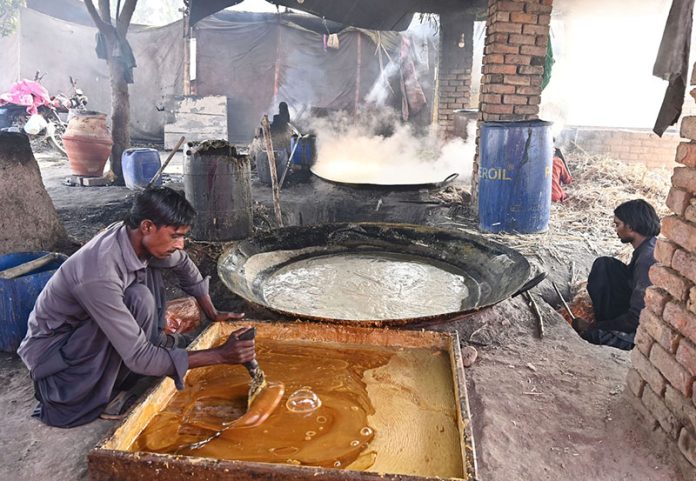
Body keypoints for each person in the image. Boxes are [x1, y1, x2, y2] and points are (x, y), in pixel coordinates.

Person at [18, 187, 255, 428]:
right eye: (175, 236)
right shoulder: (99, 273)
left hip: (81, 337)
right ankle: (97, 394)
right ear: (148, 226)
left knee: (140, 294)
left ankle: (141, 360)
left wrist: (212, 312)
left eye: (183, 236)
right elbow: (139, 357)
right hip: (58, 366)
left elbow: (182, 262)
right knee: (138, 307)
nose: (181, 244)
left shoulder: (135, 239)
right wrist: (220, 355)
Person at [572, 199, 660, 350]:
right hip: (634, 311)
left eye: (617, 224)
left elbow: (636, 317)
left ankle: (614, 335)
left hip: (641, 326)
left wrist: (595, 326)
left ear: (631, 227)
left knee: (591, 335)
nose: (616, 230)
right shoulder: (648, 247)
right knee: (605, 265)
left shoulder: (646, 260)